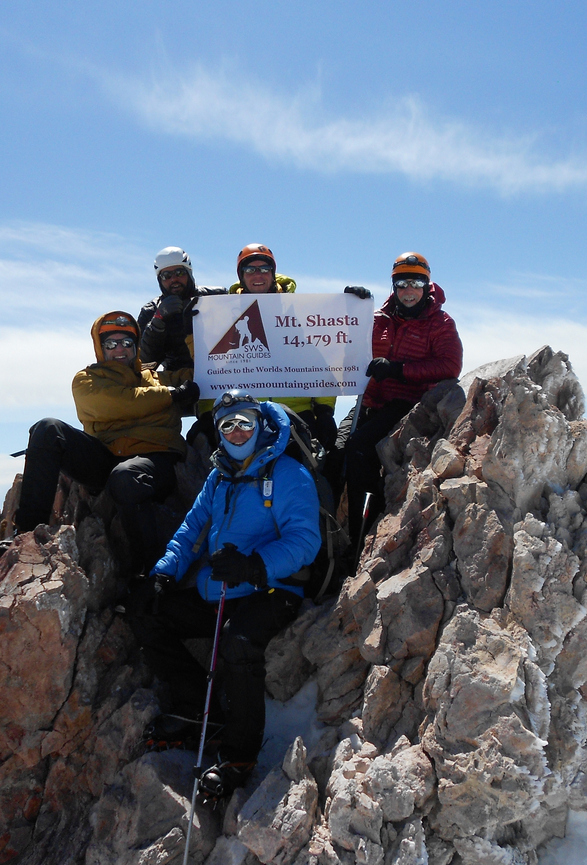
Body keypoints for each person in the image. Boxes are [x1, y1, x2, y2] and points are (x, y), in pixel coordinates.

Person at [133, 391, 320, 802]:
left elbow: (305, 540)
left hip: (273, 588)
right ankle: (196, 710)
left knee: (239, 642)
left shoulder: (287, 472)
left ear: (260, 425)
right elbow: (190, 531)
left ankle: (238, 757)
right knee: (148, 612)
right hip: (222, 588)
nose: (237, 432)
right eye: (227, 425)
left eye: (244, 423)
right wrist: (164, 573)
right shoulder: (218, 478)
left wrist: (254, 565)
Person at [6, 311, 200, 573]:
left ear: (136, 346)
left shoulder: (159, 378)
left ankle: (149, 574)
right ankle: (27, 534)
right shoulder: (87, 380)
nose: (120, 349)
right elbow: (114, 402)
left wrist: (193, 332)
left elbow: (212, 371)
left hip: (156, 458)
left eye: (127, 342)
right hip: (106, 456)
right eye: (111, 343)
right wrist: (170, 396)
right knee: (47, 429)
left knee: (126, 477)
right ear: (100, 347)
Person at [345, 252, 462, 550]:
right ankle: (337, 537)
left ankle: (363, 536)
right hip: (369, 403)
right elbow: (340, 336)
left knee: (359, 448)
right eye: (402, 283)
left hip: (408, 403)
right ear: (394, 286)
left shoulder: (440, 322)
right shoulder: (378, 318)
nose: (409, 290)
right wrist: (350, 307)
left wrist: (399, 370)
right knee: (334, 457)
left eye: (416, 283)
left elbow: (450, 365)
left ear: (426, 285)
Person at [228, 242, 371, 451]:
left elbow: (319, 358)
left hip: (297, 411)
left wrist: (324, 409)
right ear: (241, 275)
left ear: (273, 273)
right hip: (246, 413)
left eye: (264, 269)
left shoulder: (295, 309)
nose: (258, 275)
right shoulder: (225, 312)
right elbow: (212, 367)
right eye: (250, 270)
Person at [138, 246, 227, 374]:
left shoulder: (216, 296)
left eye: (179, 273)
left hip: (220, 375)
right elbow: (143, 363)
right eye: (166, 276)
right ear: (159, 280)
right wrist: (157, 321)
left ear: (189, 273)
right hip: (176, 381)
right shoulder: (150, 311)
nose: (174, 279)